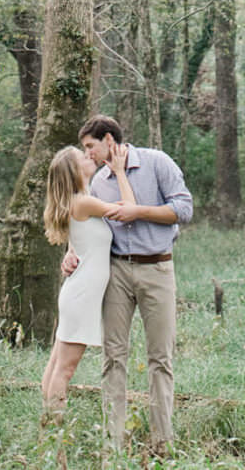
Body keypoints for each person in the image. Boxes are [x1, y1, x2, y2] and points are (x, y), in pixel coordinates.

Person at [62, 114, 194, 451]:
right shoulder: (99, 181)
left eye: (90, 146)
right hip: (117, 271)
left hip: (157, 268)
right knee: (113, 356)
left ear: (109, 139)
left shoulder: (157, 162)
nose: (87, 154)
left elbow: (184, 209)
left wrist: (141, 212)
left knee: (160, 358)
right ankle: (114, 444)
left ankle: (163, 443)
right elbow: (85, 224)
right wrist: (70, 252)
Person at [38, 144, 128, 422]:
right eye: (82, 157)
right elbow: (128, 210)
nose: (89, 156)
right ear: (74, 172)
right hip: (82, 295)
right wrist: (120, 172)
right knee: (64, 369)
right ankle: (55, 427)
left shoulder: (81, 201)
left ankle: (48, 424)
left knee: (56, 364)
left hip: (78, 292)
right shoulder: (83, 202)